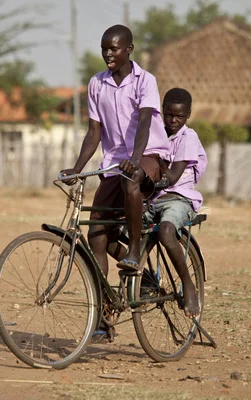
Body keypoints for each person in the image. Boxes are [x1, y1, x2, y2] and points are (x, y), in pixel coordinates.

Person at [60, 24, 170, 279]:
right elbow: (94, 132)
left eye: (114, 48)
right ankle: (103, 310)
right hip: (115, 163)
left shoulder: (145, 81)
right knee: (97, 235)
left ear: (129, 49)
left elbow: (144, 122)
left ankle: (133, 252)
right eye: (103, 49)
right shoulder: (97, 84)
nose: (108, 54)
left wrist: (134, 159)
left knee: (131, 180)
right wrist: (77, 168)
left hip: (149, 154)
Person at [143, 87, 208, 318]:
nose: (172, 120)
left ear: (188, 115)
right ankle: (147, 276)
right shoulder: (155, 134)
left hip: (179, 198)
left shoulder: (188, 137)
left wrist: (150, 169)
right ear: (162, 111)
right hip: (153, 199)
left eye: (178, 116)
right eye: (169, 115)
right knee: (115, 232)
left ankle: (187, 284)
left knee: (167, 231)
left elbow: (172, 177)